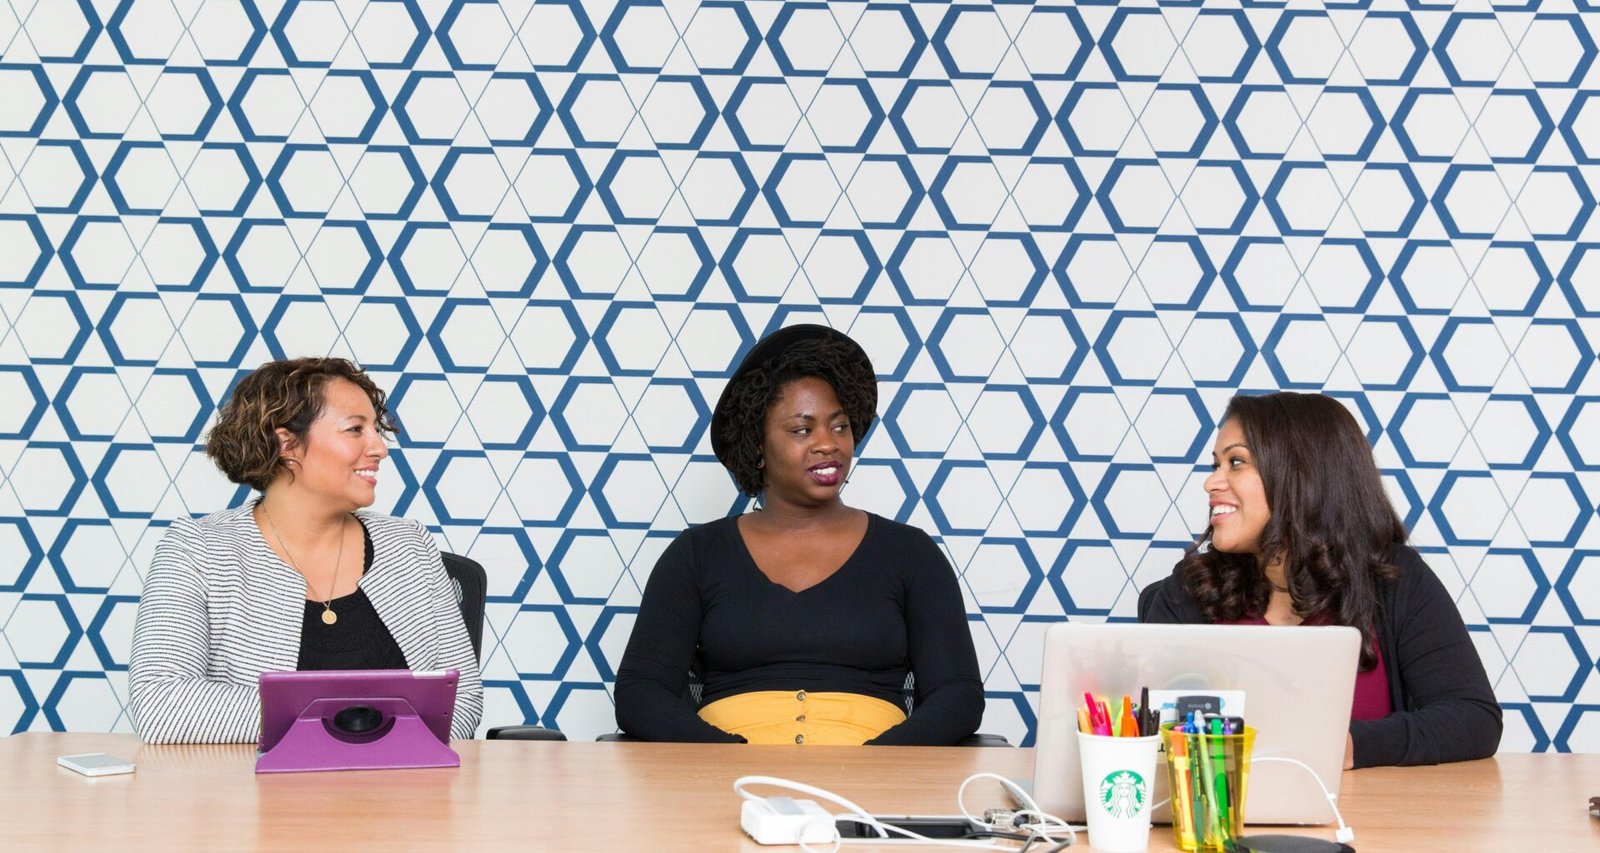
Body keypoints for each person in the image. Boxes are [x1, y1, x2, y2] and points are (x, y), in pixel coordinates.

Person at [614, 325, 983, 745]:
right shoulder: (696, 556)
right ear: (758, 446)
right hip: (726, 780)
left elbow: (958, 695)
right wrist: (730, 760)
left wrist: (875, 763)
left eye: (839, 427)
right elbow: (640, 693)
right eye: (802, 430)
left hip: (872, 786)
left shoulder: (911, 554)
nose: (828, 444)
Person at [1138, 392, 1501, 768]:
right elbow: (1154, 739)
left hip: (1371, 821)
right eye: (1216, 464)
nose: (1211, 483)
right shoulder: (1190, 590)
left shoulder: (1393, 578)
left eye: (1236, 462)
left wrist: (1349, 746)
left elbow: (1473, 719)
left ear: (1302, 474)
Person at [129, 357, 482, 744]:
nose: (379, 448)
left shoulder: (410, 546)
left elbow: (460, 700)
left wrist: (314, 718)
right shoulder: (198, 550)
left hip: (402, 794)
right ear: (287, 445)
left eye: (376, 431)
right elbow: (158, 704)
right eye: (355, 430)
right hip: (254, 800)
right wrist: (351, 720)